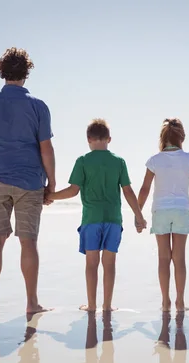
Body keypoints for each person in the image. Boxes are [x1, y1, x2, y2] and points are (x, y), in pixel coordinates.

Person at [0, 47, 55, 314]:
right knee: (28, 241)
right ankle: (31, 303)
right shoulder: (38, 106)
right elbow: (46, 148)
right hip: (29, 181)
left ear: (1, 72)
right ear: (26, 74)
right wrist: (51, 183)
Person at [46, 119, 147, 312]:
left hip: (91, 220)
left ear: (88, 139)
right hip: (113, 220)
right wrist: (139, 216)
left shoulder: (83, 161)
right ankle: (107, 306)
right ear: (109, 139)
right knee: (109, 264)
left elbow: (72, 190)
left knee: (91, 264)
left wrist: (50, 196)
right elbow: (128, 192)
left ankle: (92, 305)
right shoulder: (118, 161)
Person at [137, 118, 189, 312]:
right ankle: (180, 301)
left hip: (160, 210)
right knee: (179, 258)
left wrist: (138, 212)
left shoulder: (154, 160)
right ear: (181, 137)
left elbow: (144, 189)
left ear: (163, 138)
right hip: (181, 210)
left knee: (163, 258)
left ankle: (165, 301)